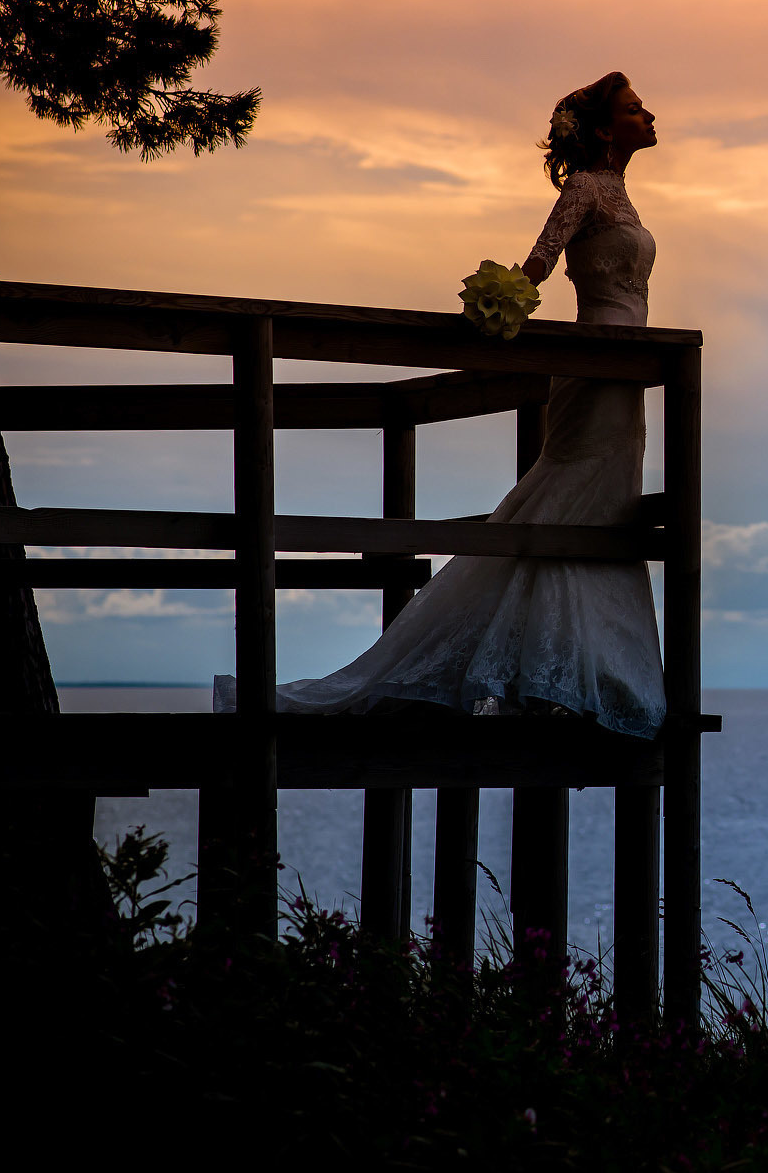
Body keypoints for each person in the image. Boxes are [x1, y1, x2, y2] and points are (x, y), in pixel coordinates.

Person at [220, 73, 668, 735]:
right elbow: (540, 262)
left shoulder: (624, 195)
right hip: (595, 368)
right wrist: (502, 301)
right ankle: (530, 670)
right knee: (565, 499)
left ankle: (582, 669)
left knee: (605, 506)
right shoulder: (583, 190)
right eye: (634, 108)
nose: (649, 113)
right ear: (605, 129)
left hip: (626, 372)